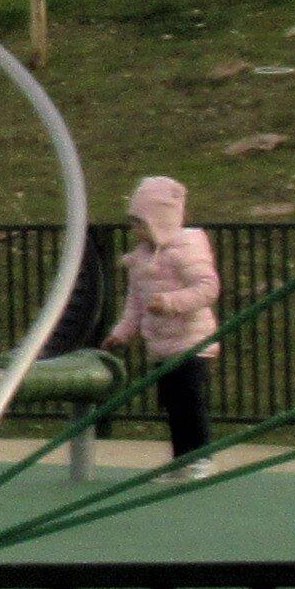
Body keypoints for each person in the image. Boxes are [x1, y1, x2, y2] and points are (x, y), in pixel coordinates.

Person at [118, 171, 220, 468]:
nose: (135, 229)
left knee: (189, 400)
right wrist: (122, 333)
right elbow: (135, 304)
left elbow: (207, 288)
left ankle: (200, 457)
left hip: (191, 341)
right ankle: (182, 459)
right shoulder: (140, 259)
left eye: (140, 222)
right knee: (173, 403)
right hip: (162, 344)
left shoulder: (186, 249)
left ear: (157, 221)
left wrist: (172, 303)